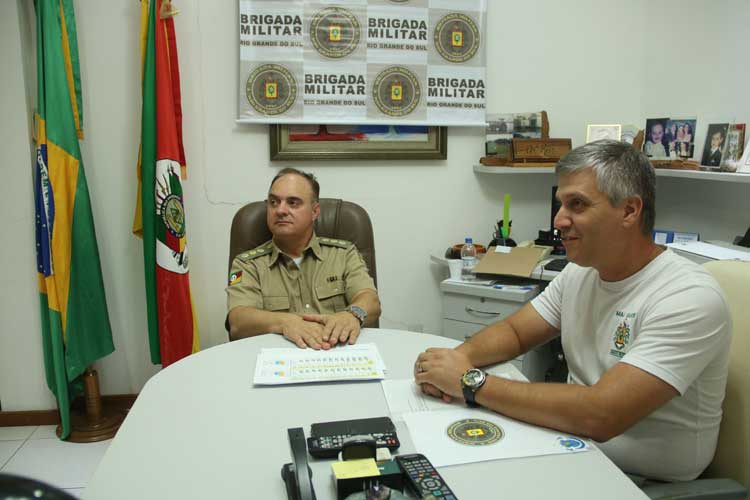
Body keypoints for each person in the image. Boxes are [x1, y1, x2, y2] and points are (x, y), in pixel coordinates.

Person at [414, 140, 731, 482]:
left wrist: (470, 383)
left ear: (629, 211)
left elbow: (601, 415)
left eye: (576, 204)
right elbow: (515, 333)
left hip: (640, 480)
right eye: (561, 204)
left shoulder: (688, 297)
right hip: (571, 444)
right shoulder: (580, 272)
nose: (559, 220)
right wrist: (454, 363)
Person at [226, 168, 381, 349]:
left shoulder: (344, 254)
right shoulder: (246, 264)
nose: (280, 210)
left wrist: (352, 315)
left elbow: (370, 301)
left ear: (315, 212)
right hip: (279, 358)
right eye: (274, 202)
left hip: (338, 352)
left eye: (293, 203)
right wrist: (286, 322)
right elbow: (238, 321)